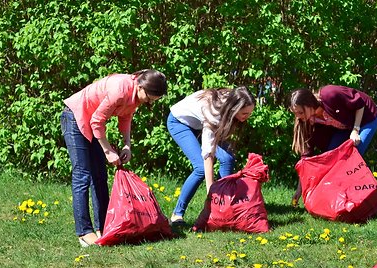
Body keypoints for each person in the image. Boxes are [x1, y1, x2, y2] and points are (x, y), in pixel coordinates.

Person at [61, 69, 168, 246]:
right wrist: (108, 150)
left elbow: (125, 118)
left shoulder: (135, 95)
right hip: (75, 117)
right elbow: (96, 120)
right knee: (83, 175)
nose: (148, 103)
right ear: (141, 86)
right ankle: (84, 232)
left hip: (92, 123)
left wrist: (127, 144)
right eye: (148, 99)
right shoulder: (120, 89)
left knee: (100, 176)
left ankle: (103, 226)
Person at [167, 86, 256, 224]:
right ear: (234, 109)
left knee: (227, 158)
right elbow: (208, 154)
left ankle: (225, 206)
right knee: (200, 168)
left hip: (200, 123)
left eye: (250, 113)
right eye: (244, 113)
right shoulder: (214, 113)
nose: (247, 117)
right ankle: (177, 214)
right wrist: (211, 191)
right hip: (180, 122)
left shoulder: (231, 102)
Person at [289, 85, 377, 205]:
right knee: (332, 159)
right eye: (295, 113)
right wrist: (299, 189)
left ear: (309, 103)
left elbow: (360, 103)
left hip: (365, 119)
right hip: (344, 127)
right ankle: (337, 201)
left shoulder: (330, 94)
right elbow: (306, 158)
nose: (298, 117)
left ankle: (362, 199)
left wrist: (355, 130)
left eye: (300, 112)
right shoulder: (307, 122)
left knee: (353, 155)